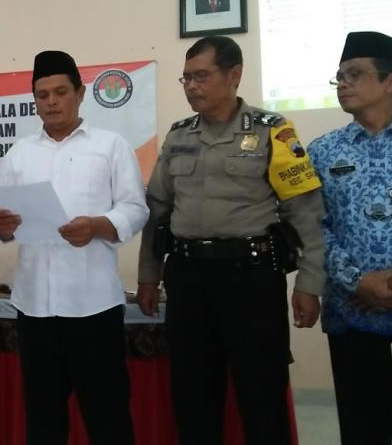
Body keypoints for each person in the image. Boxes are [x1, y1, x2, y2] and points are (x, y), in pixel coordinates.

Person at [137, 36, 325, 445]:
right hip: (188, 277)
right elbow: (157, 211)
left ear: (234, 75)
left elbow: (305, 214)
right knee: (193, 397)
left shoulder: (273, 130)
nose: (191, 86)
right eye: (186, 78)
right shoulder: (179, 135)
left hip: (251, 278)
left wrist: (309, 284)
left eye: (201, 76)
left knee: (262, 397)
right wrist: (149, 276)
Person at [0, 50, 149, 444]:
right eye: (42, 95)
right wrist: (1, 226)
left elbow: (135, 208)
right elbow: (3, 219)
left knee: (108, 420)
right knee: (43, 423)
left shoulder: (111, 146)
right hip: (35, 307)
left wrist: (98, 226)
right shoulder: (19, 153)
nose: (52, 102)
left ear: (80, 93)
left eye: (60, 92)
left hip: (93, 305)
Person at [308, 31, 392, 445]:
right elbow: (312, 225)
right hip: (352, 309)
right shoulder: (322, 151)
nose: (343, 84)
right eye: (339, 76)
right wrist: (358, 281)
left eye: (354, 74)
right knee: (362, 429)